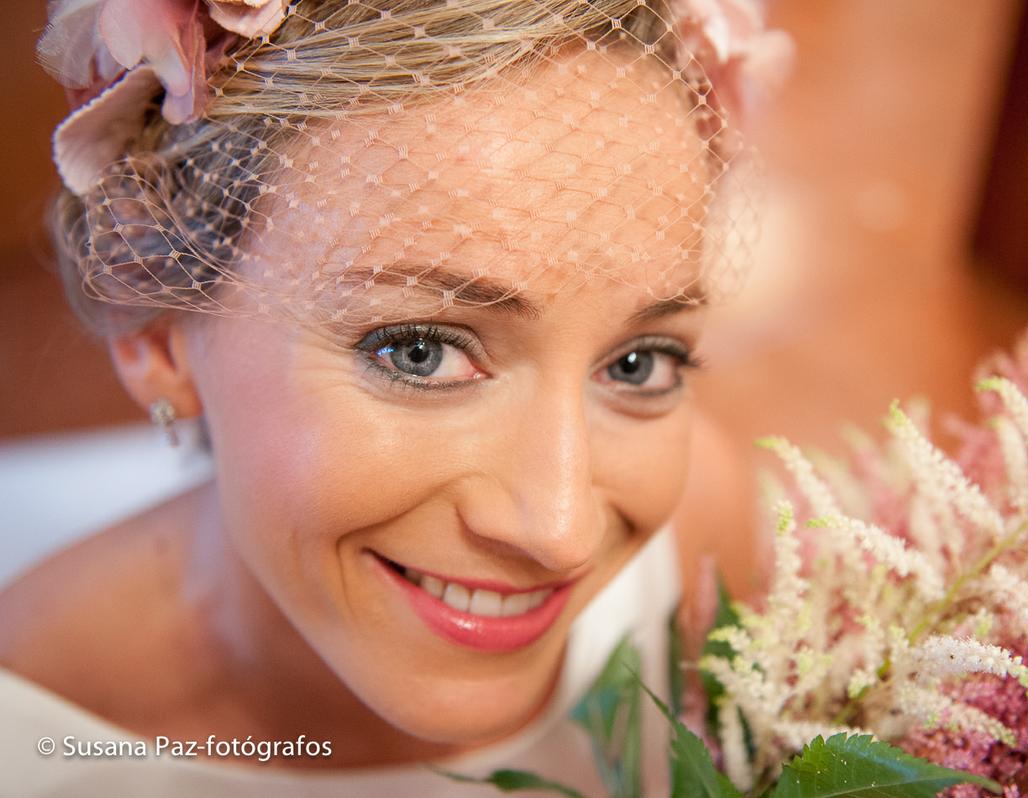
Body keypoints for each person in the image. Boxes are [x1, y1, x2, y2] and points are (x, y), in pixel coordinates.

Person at [0, 0, 789, 794]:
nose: (562, 533)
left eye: (637, 365)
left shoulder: (700, 552)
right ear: (158, 326)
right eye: (422, 352)